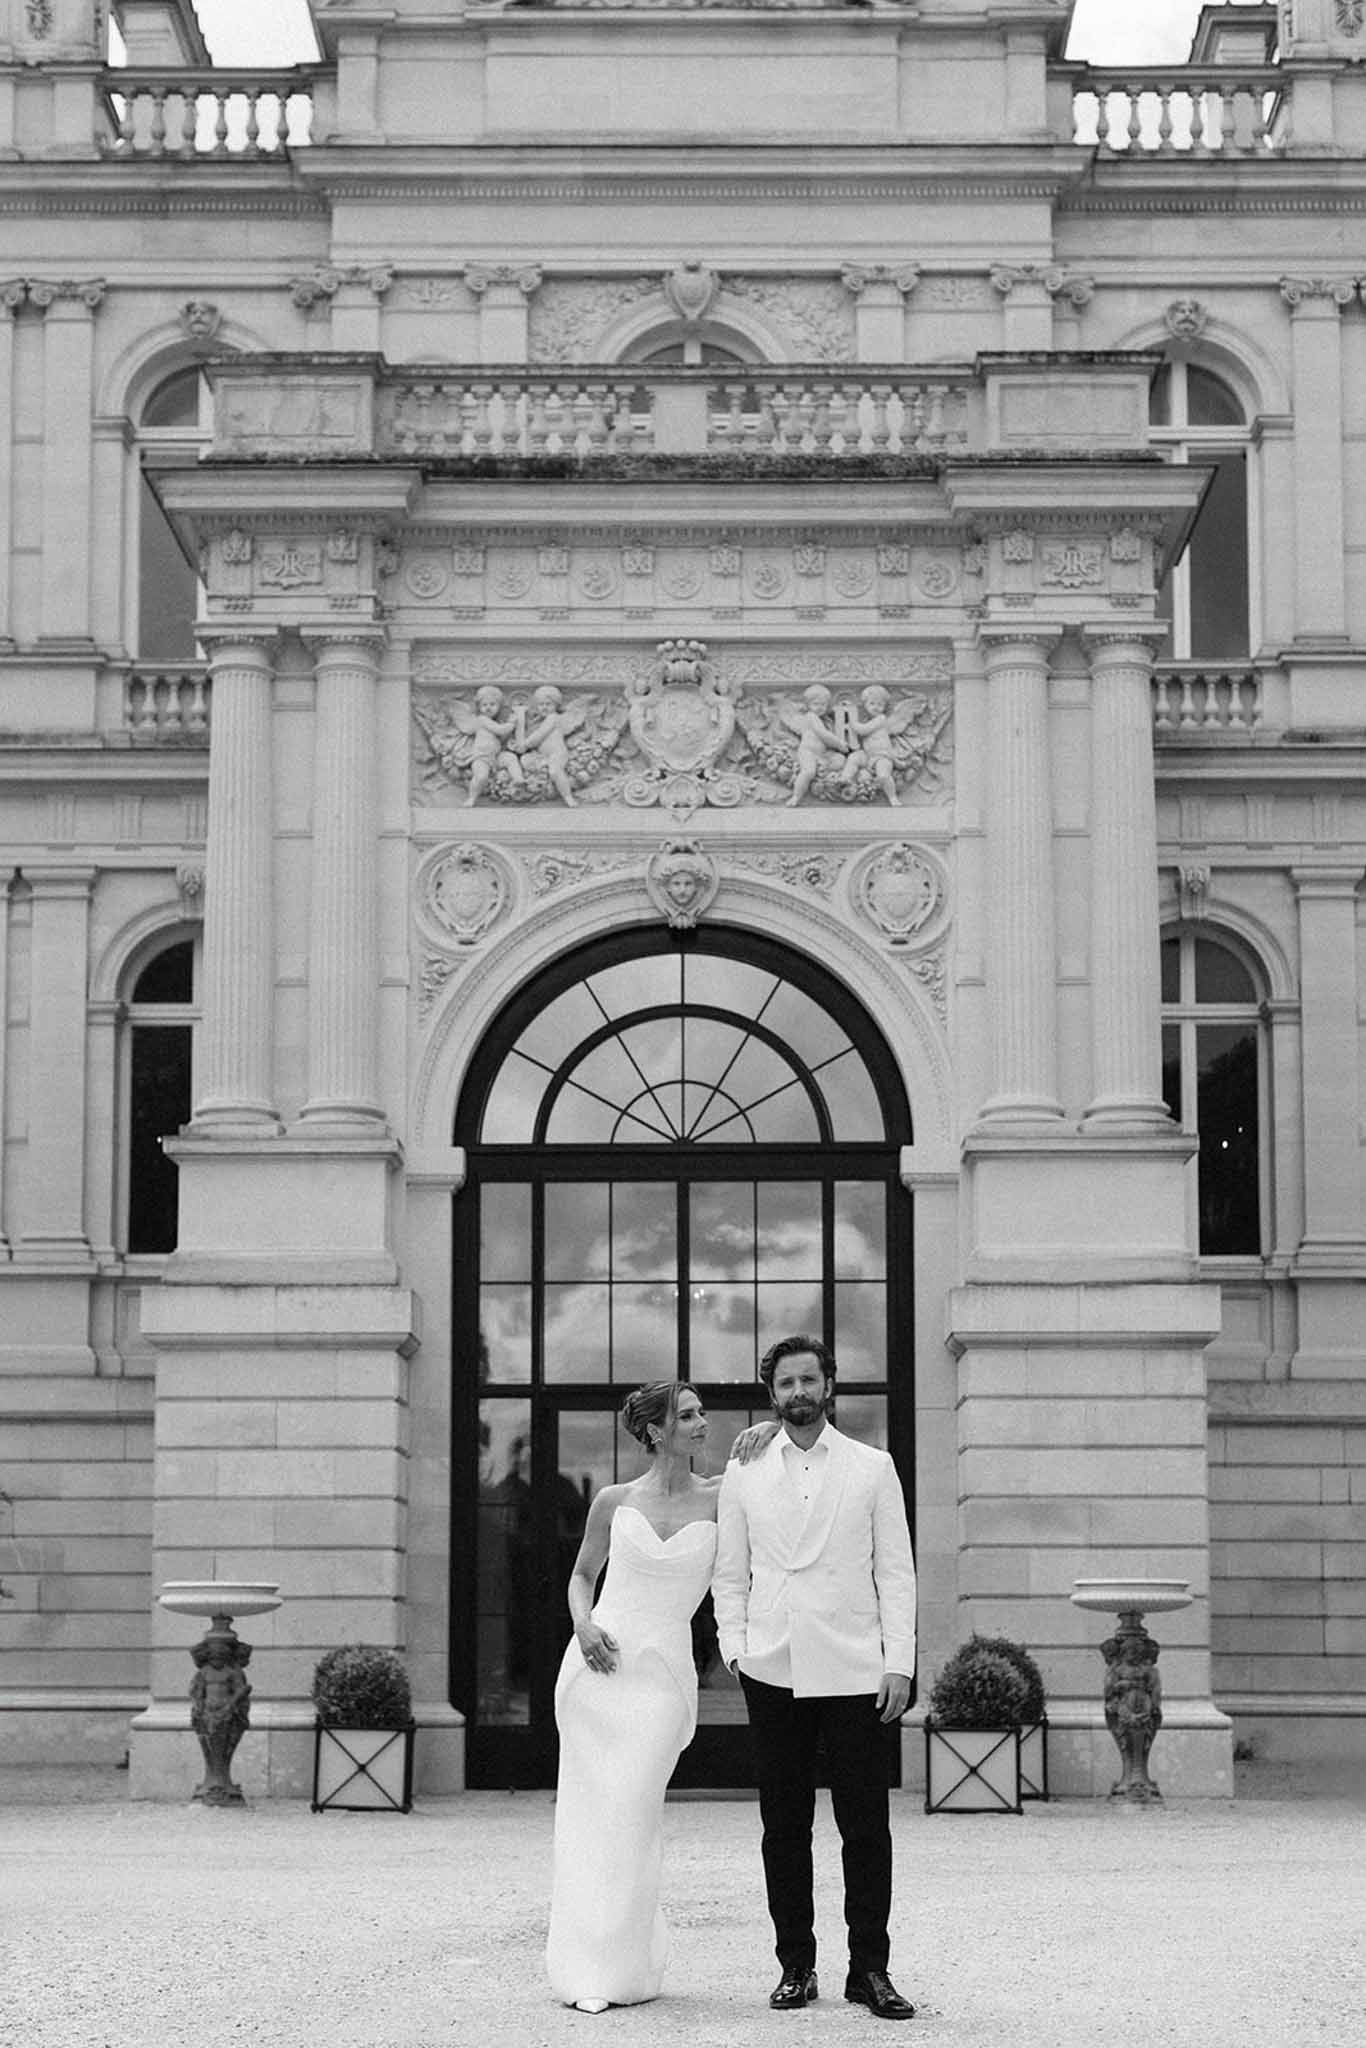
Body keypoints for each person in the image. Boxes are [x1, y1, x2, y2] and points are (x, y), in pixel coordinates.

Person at [713, 1334, 918, 2022]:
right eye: (786, 1384)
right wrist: (735, 1648)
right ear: (771, 1394)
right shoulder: (744, 1469)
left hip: (856, 1665)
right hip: (772, 1664)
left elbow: (895, 1571)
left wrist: (899, 1662)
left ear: (829, 1385)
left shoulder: (872, 1466)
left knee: (866, 1826)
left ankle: (871, 1970)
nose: (798, 1392)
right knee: (784, 1826)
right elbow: (728, 1570)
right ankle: (795, 1966)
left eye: (809, 1380)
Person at [545, 1381, 719, 2013]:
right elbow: (582, 1576)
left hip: (664, 1672)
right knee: (592, 1818)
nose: (704, 1422)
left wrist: (764, 1436)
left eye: (702, 1413)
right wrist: (583, 1625)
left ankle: (629, 1961)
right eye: (690, 1414)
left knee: (635, 1809)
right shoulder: (613, 1502)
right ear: (655, 1431)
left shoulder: (726, 1497)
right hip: (599, 1668)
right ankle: (591, 1969)